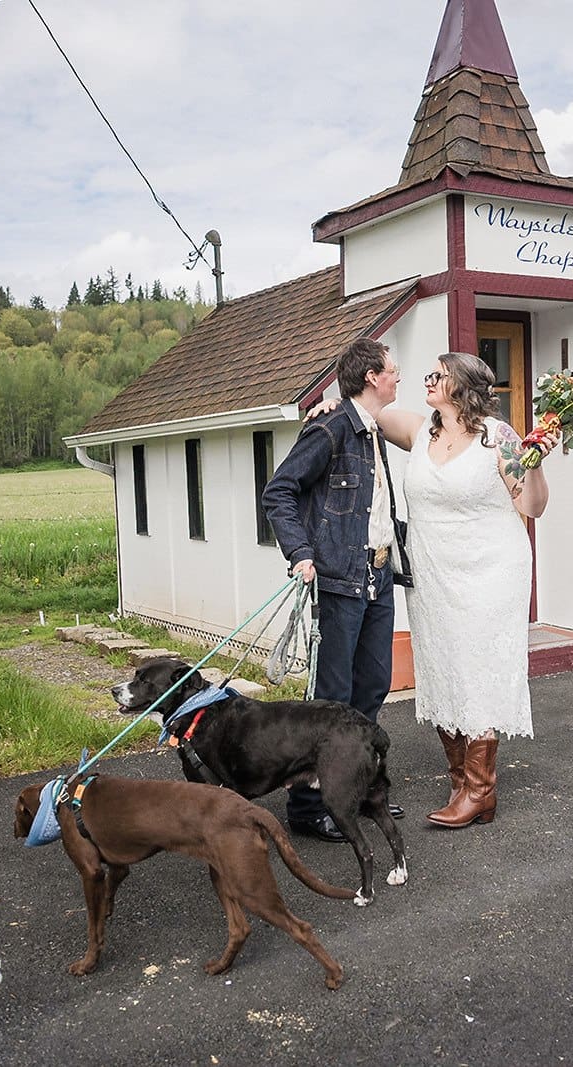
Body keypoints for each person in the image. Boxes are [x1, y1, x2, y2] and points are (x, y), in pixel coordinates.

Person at [319, 351, 557, 828]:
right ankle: (460, 783)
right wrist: (330, 404)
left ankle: (480, 790)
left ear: (462, 386)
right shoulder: (418, 428)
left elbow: (532, 506)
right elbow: (363, 410)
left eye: (437, 376)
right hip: (432, 573)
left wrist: (532, 462)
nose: (427, 382)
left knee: (476, 667)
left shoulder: (498, 438)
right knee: (443, 664)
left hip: (490, 571)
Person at [261, 337, 408, 842]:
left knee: (372, 686)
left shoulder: (373, 429)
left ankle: (355, 791)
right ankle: (306, 807)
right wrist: (300, 552)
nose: (398, 376)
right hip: (340, 581)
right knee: (331, 699)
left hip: (379, 577)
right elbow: (279, 491)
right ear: (371, 376)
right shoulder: (330, 428)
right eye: (393, 369)